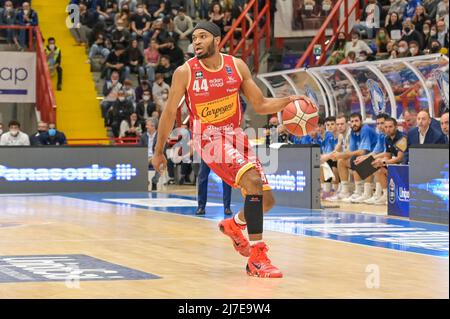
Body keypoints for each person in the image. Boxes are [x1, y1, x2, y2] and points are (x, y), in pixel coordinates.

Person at [152, 21, 305, 278]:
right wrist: (158, 150)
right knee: (253, 182)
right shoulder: (185, 72)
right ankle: (257, 258)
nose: (196, 42)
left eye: (202, 37)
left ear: (217, 40)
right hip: (208, 138)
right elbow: (169, 112)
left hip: (236, 135)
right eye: (194, 38)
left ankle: (235, 224)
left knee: (266, 200)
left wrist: (290, 101)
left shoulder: (236, 66)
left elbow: (261, 104)